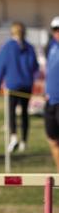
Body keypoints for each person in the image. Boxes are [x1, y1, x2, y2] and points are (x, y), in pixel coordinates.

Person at [0, 22, 39, 152]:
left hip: (12, 85)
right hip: (26, 84)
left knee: (11, 112)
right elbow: (34, 66)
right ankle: (24, 141)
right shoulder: (29, 47)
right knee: (24, 113)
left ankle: (13, 137)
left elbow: (0, 67)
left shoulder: (7, 47)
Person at [45, 17, 59, 171]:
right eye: (55, 29)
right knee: (53, 139)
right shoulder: (51, 46)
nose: (57, 32)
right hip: (51, 100)